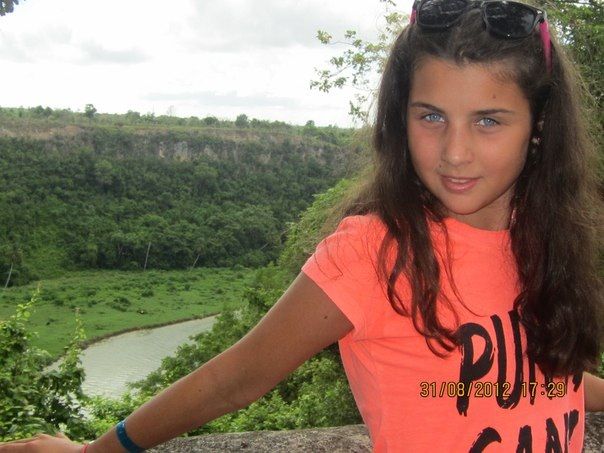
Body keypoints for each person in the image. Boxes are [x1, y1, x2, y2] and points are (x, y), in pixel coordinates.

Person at [2, 0, 603, 451]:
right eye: (431, 116)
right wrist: (96, 451)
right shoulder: (375, 251)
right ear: (400, 116)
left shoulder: (543, 235)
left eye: (488, 121)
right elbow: (236, 378)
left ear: (539, 126)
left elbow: (538, 375)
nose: (454, 152)